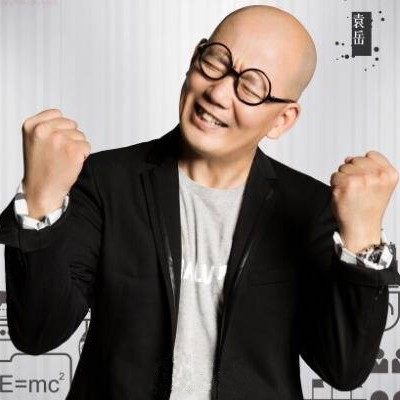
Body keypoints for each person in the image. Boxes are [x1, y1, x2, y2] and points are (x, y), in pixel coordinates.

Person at [0, 4, 399, 400]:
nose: (218, 92)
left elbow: (343, 369)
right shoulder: (106, 181)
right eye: (215, 61)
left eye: (251, 87)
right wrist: (40, 200)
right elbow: (38, 332)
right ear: (195, 57)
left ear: (282, 119)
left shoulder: (309, 208)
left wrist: (363, 241)